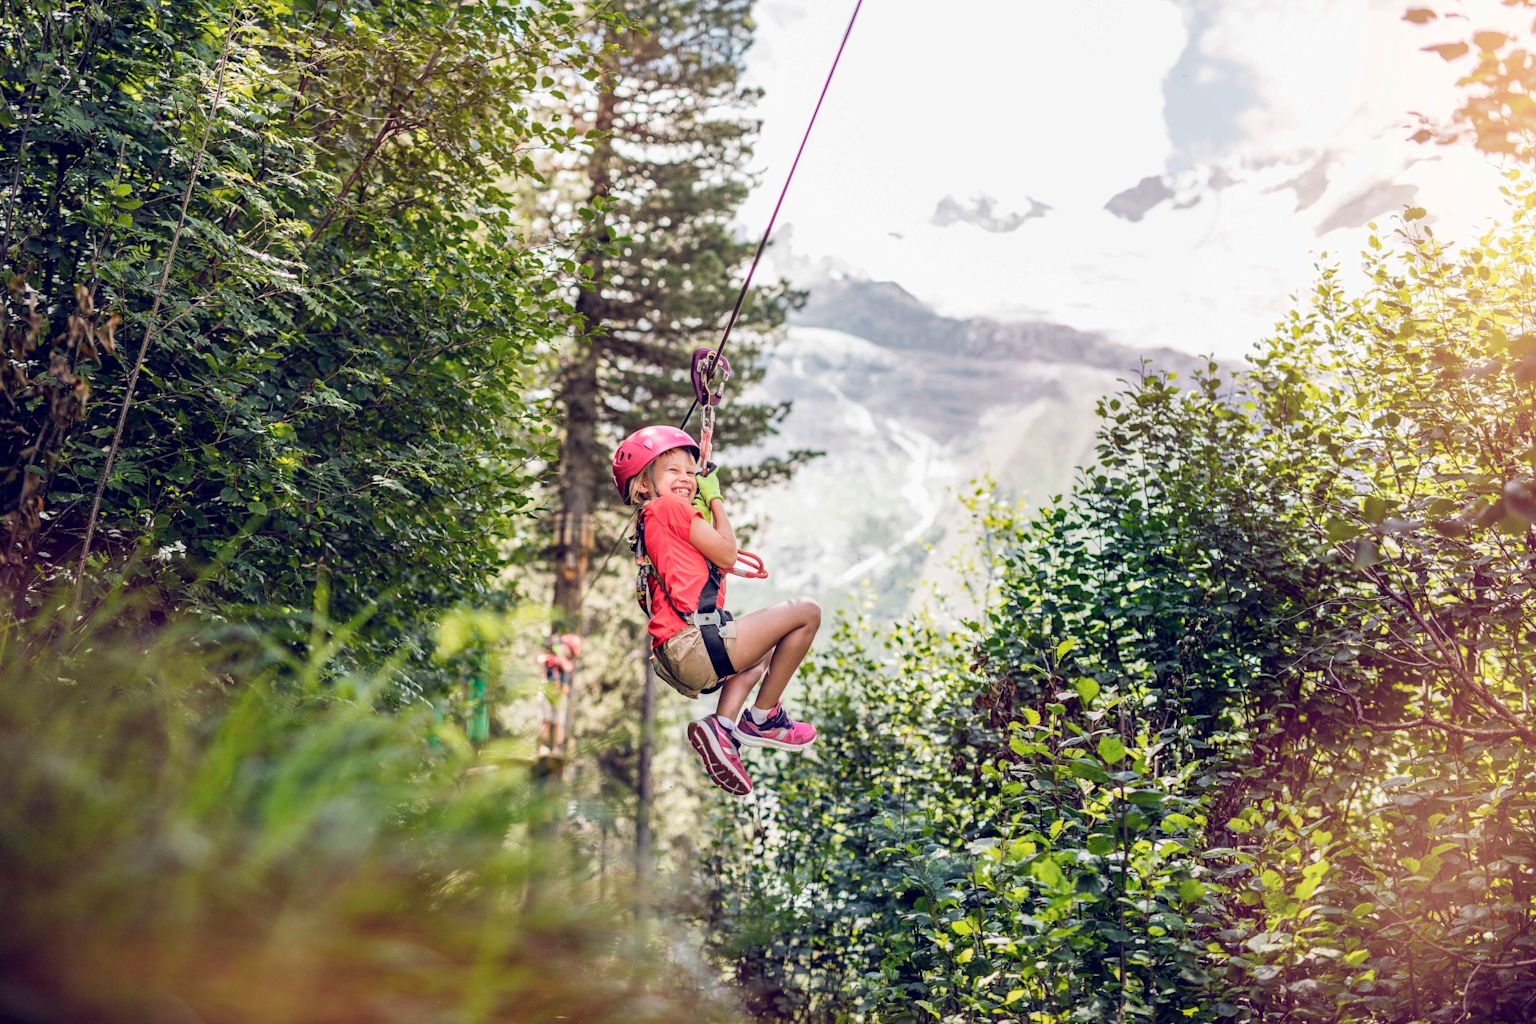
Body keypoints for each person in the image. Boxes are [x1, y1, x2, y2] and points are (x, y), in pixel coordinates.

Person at [613, 425, 820, 796]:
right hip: (694, 644)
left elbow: (710, 559)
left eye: (691, 473)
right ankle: (763, 718)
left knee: (767, 652)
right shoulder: (667, 508)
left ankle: (723, 728)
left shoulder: (654, 520)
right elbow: (725, 555)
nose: (687, 479)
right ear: (643, 484)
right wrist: (717, 500)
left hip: (682, 653)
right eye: (673, 470)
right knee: (806, 612)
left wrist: (702, 506)